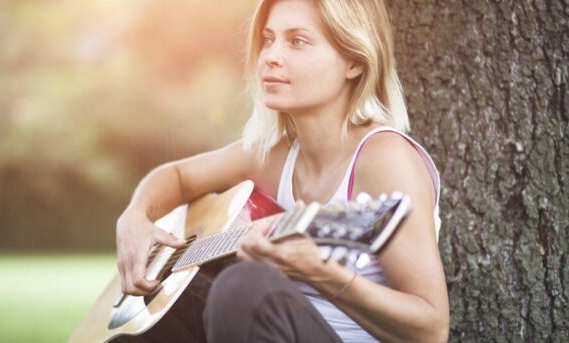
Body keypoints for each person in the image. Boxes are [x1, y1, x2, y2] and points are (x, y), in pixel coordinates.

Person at [115, 0, 449, 341]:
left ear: (353, 61)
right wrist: (135, 218)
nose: (271, 56)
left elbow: (432, 331)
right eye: (269, 39)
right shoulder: (275, 155)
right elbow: (177, 176)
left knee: (244, 287)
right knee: (145, 324)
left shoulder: (384, 158)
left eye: (298, 41)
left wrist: (322, 273)